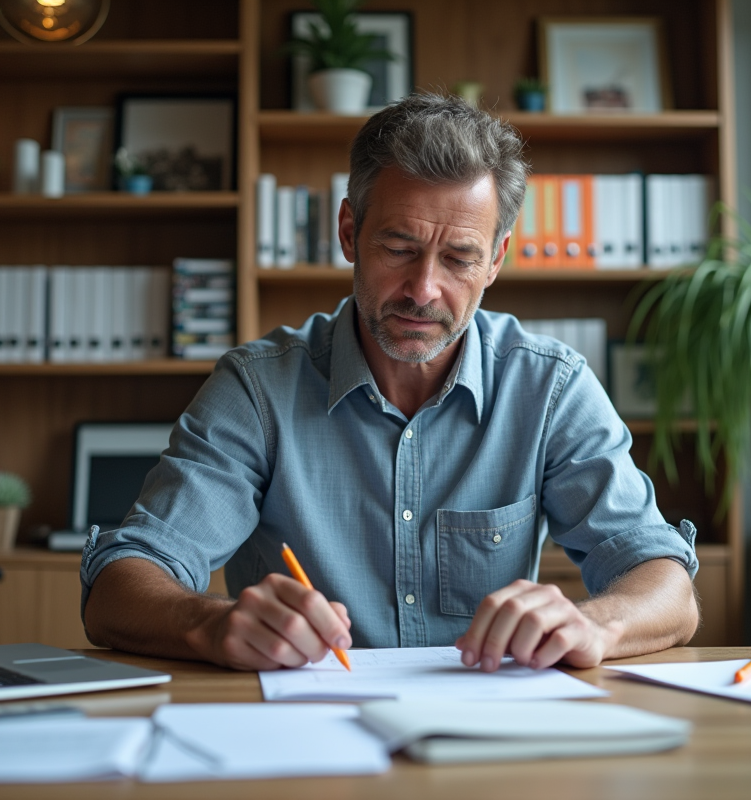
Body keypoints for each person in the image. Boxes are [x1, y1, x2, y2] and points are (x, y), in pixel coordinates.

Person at [82, 93, 700, 673]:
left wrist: (597, 625)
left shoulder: (550, 388)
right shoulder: (258, 390)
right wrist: (210, 625)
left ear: (496, 261)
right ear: (350, 232)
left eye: (458, 258)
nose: (424, 289)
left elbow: (664, 582)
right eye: (399, 247)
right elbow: (120, 584)